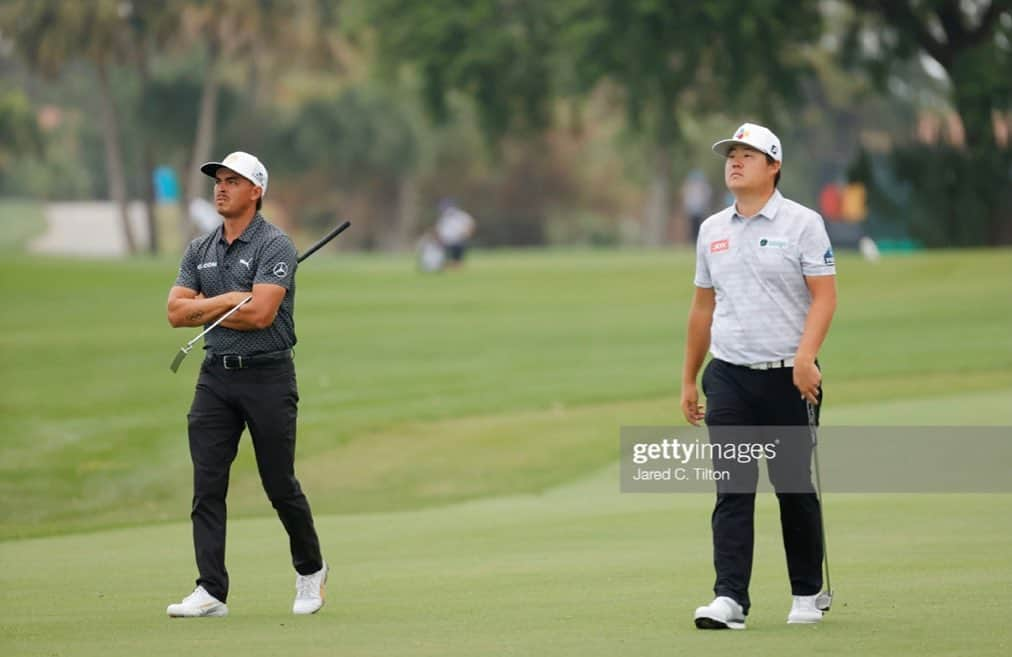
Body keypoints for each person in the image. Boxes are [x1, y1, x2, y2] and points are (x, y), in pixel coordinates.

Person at [679, 123, 837, 629]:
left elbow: (825, 296)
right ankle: (730, 599)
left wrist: (806, 358)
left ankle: (807, 594)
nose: (735, 162)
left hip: (788, 378)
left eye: (748, 154)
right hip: (728, 376)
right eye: (731, 155)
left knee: (792, 487)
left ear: (774, 166)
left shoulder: (804, 223)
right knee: (733, 488)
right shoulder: (712, 230)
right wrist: (689, 378)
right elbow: (702, 309)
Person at [165, 151, 327, 618]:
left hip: (269, 377)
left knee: (280, 484)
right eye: (218, 180)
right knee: (207, 486)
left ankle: (311, 571)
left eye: (232, 181)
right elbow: (175, 313)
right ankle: (210, 590)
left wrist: (212, 304)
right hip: (215, 377)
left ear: (255, 191)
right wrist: (233, 298)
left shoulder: (275, 245)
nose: (220, 187)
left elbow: (261, 314)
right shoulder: (199, 249)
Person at [434, 199, 476, 267]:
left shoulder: (462, 216)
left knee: (457, 259)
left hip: (459, 241)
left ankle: (456, 268)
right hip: (446, 242)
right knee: (447, 259)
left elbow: (470, 225)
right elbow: (439, 230)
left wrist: (467, 235)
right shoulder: (443, 218)